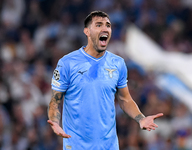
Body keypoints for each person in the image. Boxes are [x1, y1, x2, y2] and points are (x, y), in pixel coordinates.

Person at [47, 10, 163, 150]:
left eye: (108, 25)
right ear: (87, 31)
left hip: (109, 146)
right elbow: (55, 100)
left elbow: (125, 99)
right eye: (99, 25)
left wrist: (141, 118)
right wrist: (55, 122)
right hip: (77, 146)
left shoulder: (118, 63)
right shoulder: (67, 63)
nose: (105, 28)